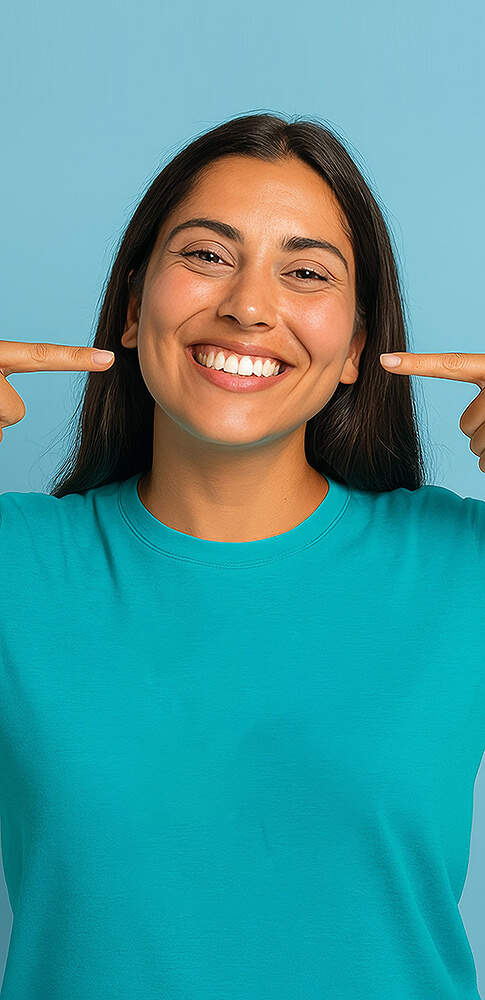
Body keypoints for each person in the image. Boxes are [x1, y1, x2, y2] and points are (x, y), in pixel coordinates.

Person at [0, 112, 484, 999]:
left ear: (353, 350)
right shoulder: (15, 566)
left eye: (303, 272)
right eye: (206, 256)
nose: (249, 306)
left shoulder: (462, 566)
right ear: (132, 308)